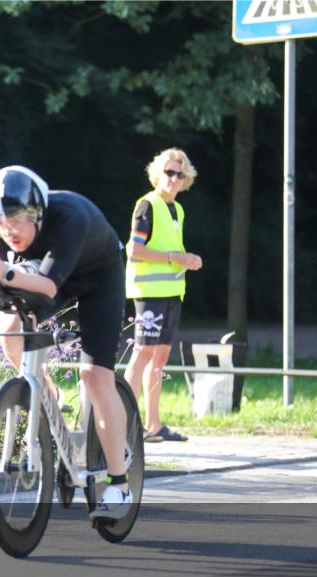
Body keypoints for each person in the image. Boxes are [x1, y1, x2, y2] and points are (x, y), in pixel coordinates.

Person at [0, 166, 131, 520]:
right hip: (45, 271)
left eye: (17, 222)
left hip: (97, 276)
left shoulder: (69, 217)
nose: (9, 231)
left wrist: (5, 273)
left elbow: (48, 285)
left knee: (95, 376)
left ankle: (119, 485)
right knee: (8, 325)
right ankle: (46, 392)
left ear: (38, 215)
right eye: (2, 223)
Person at [123, 148, 202, 442]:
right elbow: (134, 250)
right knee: (143, 353)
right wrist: (173, 257)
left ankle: (153, 425)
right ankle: (124, 423)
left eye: (179, 174)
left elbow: (171, 249)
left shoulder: (177, 209)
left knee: (160, 357)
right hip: (149, 292)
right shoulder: (147, 205)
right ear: (157, 173)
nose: (173, 179)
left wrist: (187, 259)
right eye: (168, 172)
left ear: (186, 178)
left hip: (172, 292)